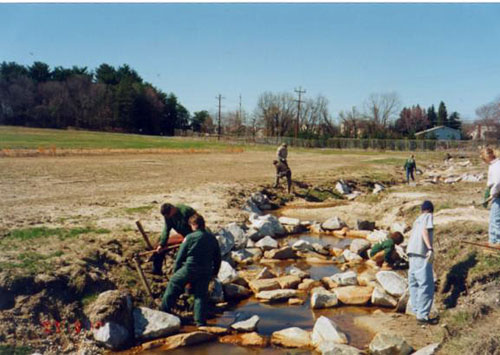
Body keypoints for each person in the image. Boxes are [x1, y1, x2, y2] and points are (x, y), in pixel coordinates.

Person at [161, 213, 221, 326]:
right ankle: (200, 323)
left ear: (194, 225)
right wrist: (214, 273)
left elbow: (180, 257)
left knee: (173, 283)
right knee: (200, 296)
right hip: (206, 271)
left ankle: (163, 312)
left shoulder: (190, 237)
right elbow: (218, 258)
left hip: (190, 268)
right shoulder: (212, 238)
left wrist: (176, 272)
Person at [406, 200, 436, 325]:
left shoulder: (417, 219)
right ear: (430, 210)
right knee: (426, 285)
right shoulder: (428, 216)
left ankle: (416, 310)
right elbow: (425, 231)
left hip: (411, 253)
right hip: (421, 253)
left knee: (414, 283)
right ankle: (422, 315)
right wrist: (429, 247)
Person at [152, 203, 197, 275]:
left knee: (185, 253)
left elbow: (198, 224)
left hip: (193, 236)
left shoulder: (186, 211)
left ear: (172, 209)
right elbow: (166, 229)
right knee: (159, 247)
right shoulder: (168, 216)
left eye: (169, 215)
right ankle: (156, 272)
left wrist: (192, 239)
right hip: (182, 235)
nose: (169, 217)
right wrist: (162, 244)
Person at [481, 147, 500, 245]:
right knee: (493, 219)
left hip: (498, 195)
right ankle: (492, 241)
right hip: (496, 195)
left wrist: (493, 193)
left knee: (496, 220)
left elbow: (497, 182)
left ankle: (497, 242)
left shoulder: (497, 165)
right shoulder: (494, 165)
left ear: (487, 157)